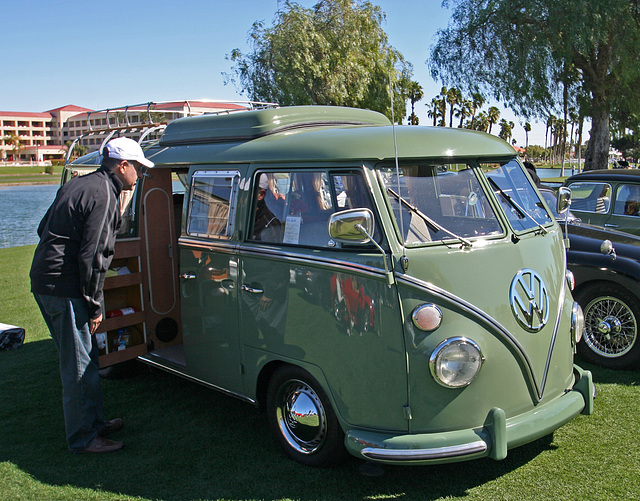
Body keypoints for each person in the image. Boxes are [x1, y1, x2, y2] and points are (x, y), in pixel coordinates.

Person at [30, 137, 153, 454]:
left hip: (48, 281)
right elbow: (93, 257)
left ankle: (95, 424)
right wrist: (95, 305)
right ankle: (85, 438)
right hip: (63, 287)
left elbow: (43, 228)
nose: (138, 174)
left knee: (83, 358)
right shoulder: (104, 196)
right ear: (122, 165)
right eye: (137, 167)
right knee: (79, 365)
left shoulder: (79, 185)